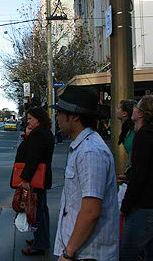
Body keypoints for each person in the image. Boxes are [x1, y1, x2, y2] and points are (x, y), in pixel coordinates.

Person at [52, 85, 119, 261]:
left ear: (74, 116)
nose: (57, 117)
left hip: (87, 254)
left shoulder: (90, 152)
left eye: (60, 112)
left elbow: (91, 211)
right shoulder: (83, 147)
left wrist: (68, 253)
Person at [119, 95, 153, 261]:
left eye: (137, 106)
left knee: (126, 254)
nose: (134, 108)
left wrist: (125, 206)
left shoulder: (143, 136)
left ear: (141, 114)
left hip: (144, 208)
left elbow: (140, 175)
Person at [13, 107, 54, 256]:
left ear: (38, 119)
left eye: (30, 118)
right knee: (40, 208)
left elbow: (32, 159)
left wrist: (25, 179)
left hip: (36, 179)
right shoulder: (44, 132)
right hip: (40, 178)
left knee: (37, 210)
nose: (28, 121)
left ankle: (40, 244)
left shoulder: (38, 134)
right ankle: (40, 239)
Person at [116, 99, 136, 185]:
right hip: (130, 171)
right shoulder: (126, 129)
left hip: (133, 171)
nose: (116, 110)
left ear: (124, 113)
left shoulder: (134, 130)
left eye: (118, 108)